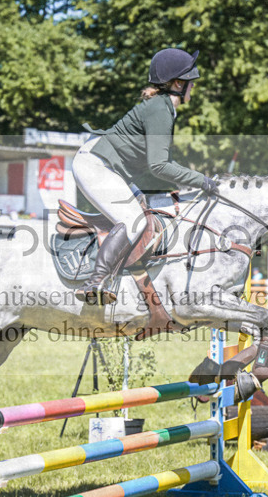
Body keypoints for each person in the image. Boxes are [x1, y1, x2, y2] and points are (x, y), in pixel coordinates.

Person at [72, 47, 217, 304]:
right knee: (133, 221)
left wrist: (189, 184)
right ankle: (95, 282)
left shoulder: (161, 107)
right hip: (96, 165)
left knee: (150, 212)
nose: (192, 89)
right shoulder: (160, 109)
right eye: (190, 84)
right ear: (177, 84)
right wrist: (203, 181)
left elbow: (161, 164)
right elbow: (159, 166)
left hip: (109, 168)